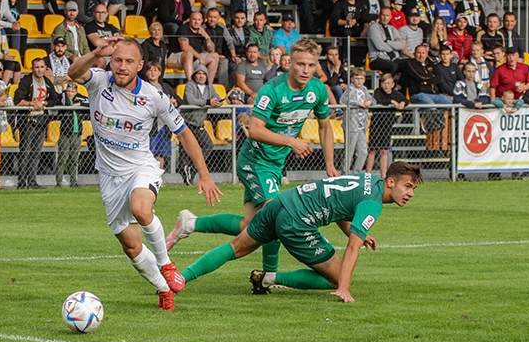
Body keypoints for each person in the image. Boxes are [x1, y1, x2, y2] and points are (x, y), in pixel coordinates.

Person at [167, 39, 337, 291]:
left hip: (274, 164)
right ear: (289, 63)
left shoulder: (318, 91)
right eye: (300, 64)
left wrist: (330, 165)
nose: (305, 70)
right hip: (255, 160)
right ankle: (268, 276)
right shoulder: (273, 90)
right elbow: (255, 130)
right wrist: (291, 141)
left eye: (311, 65)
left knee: (251, 225)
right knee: (275, 218)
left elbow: (325, 127)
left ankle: (191, 223)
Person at [68, 36, 222, 310]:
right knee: (131, 247)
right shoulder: (99, 81)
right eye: (117, 60)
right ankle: (164, 289)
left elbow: (184, 133)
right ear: (110, 62)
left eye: (129, 61)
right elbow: (73, 73)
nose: (122, 67)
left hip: (141, 167)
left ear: (140, 65)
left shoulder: (154, 97)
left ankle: (166, 265)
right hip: (108, 177)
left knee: (141, 209)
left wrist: (204, 174)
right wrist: (95, 54)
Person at [178, 162, 421, 302]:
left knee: (236, 247)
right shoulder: (373, 202)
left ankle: (178, 279)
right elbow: (352, 249)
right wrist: (344, 287)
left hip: (283, 201)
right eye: (407, 186)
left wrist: (356, 232)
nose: (410, 193)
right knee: (336, 278)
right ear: (390, 182)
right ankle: (271, 278)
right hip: (298, 220)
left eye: (413, 188)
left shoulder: (367, 179)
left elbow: (340, 207)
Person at [13, 57, 60, 189]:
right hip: (27, 121)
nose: (39, 70)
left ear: (46, 68)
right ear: (32, 69)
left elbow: (54, 99)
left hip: (41, 121)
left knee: (36, 152)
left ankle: (32, 181)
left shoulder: (47, 82)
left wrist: (43, 103)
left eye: (41, 67)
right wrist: (33, 104)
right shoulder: (26, 81)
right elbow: (17, 100)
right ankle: (22, 182)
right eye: (37, 67)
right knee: (25, 152)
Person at [180, 65, 221, 184]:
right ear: (194, 75)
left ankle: (192, 168)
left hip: (199, 123)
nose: (201, 76)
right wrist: (208, 102)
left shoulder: (210, 87)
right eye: (199, 73)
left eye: (204, 74)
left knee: (208, 145)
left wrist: (217, 102)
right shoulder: (190, 85)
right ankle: (186, 176)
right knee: (186, 150)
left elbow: (217, 98)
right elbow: (191, 100)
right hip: (187, 122)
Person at [171, 10, 220, 83]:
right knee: (189, 54)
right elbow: (185, 47)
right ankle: (192, 85)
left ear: (202, 21)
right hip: (176, 57)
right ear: (189, 20)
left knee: (215, 56)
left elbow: (211, 50)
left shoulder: (202, 31)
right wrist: (199, 57)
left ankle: (208, 86)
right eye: (194, 19)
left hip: (194, 59)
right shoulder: (183, 28)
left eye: (199, 20)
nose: (196, 22)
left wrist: (206, 36)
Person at [369, 73, 403, 176]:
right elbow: (378, 101)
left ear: (393, 84)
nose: (386, 86)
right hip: (376, 124)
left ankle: (384, 174)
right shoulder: (378, 92)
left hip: (387, 125)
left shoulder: (395, 93)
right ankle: (368, 174)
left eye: (389, 83)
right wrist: (392, 102)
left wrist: (402, 103)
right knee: (372, 150)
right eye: (384, 83)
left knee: (384, 150)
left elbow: (404, 100)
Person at [56, 82, 88, 187]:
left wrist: (78, 104)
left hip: (76, 133)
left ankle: (74, 181)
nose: (70, 93)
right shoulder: (63, 98)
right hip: (65, 133)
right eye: (68, 91)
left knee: (74, 160)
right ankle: (59, 182)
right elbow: (63, 103)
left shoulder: (79, 99)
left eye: (72, 91)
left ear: (76, 92)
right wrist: (64, 92)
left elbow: (89, 101)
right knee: (62, 159)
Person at [367, 7, 410, 76]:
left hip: (394, 58)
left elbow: (401, 46)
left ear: (390, 17)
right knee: (393, 66)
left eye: (387, 16)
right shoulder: (374, 27)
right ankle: (386, 85)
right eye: (383, 15)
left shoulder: (392, 28)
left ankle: (400, 86)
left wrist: (387, 42)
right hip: (378, 59)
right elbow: (380, 46)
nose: (385, 18)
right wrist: (394, 46)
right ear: (379, 15)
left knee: (410, 64)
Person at [345, 67, 373, 172]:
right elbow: (343, 100)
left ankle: (356, 173)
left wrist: (369, 101)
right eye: (357, 78)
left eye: (361, 78)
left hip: (362, 125)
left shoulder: (364, 89)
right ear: (352, 79)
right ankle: (345, 173)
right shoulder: (350, 89)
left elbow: (373, 99)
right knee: (350, 151)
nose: (359, 80)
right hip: (352, 125)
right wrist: (357, 103)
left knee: (363, 151)